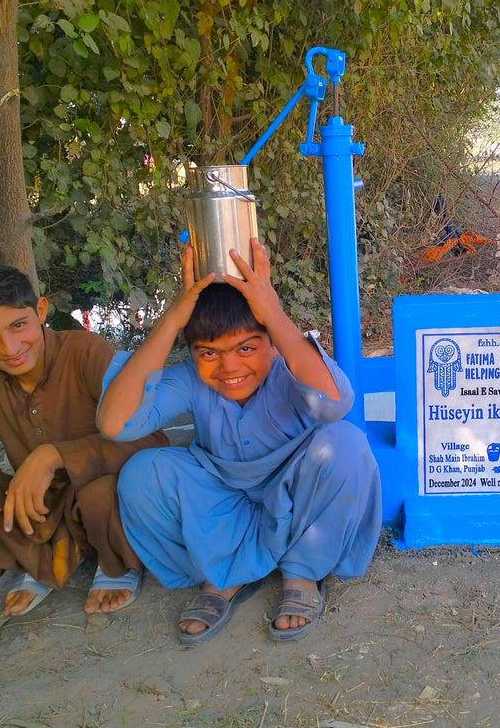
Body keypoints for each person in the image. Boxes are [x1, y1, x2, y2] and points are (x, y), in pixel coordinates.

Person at [97, 239, 382, 645]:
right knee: (143, 474)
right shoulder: (192, 379)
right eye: (208, 353)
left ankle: (303, 573)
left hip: (298, 501)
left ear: (273, 341)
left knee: (346, 445)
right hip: (225, 501)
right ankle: (226, 576)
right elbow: (115, 423)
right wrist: (171, 321)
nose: (229, 367)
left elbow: (336, 404)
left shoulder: (290, 368)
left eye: (246, 347)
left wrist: (273, 313)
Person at [0, 265, 167, 617]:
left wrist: (54, 456)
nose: (10, 348)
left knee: (103, 491)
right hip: (39, 508)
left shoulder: (85, 351)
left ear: (40, 310)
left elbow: (152, 439)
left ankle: (115, 560)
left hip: (103, 498)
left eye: (18, 325)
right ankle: (43, 558)